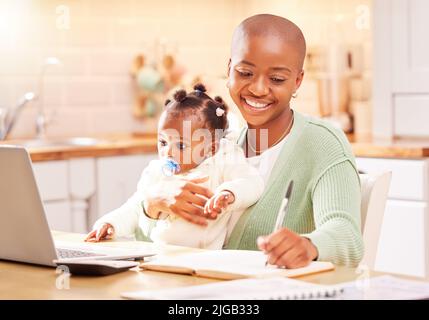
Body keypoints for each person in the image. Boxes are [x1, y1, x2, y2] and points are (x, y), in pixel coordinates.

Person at [134, 14, 364, 268]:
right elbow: (142, 232)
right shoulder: (217, 143)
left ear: (297, 80)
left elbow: (348, 237)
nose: (258, 89)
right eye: (245, 73)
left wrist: (309, 245)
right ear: (229, 69)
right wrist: (153, 205)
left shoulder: (322, 142)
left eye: (276, 79)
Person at [85, 84, 264, 249]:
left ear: (211, 147)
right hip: (160, 255)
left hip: (204, 259)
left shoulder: (222, 160)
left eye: (180, 145)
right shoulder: (156, 172)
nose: (168, 153)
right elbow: (135, 207)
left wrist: (230, 193)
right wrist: (110, 224)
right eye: (163, 142)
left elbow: (252, 182)